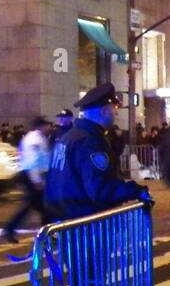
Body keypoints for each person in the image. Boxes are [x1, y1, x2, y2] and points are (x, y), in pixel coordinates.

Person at [45, 83, 147, 221]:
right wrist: (135, 190)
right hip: (85, 223)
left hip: (65, 220)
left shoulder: (69, 137)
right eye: (114, 108)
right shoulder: (90, 141)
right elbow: (100, 190)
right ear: (104, 111)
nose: (116, 113)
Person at [3, 116, 53, 242]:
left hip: (33, 175)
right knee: (33, 206)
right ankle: (10, 228)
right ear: (41, 126)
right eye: (46, 125)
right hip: (31, 175)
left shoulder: (38, 138)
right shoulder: (34, 140)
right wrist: (36, 179)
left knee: (42, 207)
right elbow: (33, 160)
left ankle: (47, 234)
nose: (49, 127)